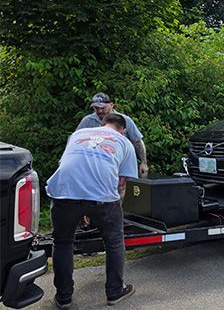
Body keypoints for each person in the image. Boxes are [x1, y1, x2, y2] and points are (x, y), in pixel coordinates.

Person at [47, 113, 138, 308]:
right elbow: (122, 183)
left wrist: (83, 209)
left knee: (62, 243)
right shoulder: (123, 142)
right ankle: (114, 292)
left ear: (103, 123)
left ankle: (64, 297)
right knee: (114, 242)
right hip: (102, 197)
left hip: (64, 192)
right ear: (123, 129)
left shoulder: (77, 135)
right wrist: (114, 211)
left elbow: (73, 166)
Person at [77, 92, 149, 178]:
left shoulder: (125, 120)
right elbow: (75, 140)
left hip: (120, 167)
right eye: (96, 108)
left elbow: (137, 141)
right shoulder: (87, 121)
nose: (99, 111)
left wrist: (144, 163)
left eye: (103, 108)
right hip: (94, 168)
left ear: (111, 105)